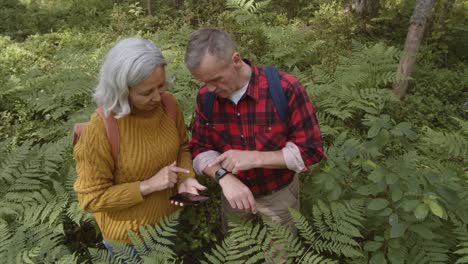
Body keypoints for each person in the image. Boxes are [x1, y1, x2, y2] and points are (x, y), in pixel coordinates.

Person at [185, 28, 324, 234]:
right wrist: (224, 176)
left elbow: (311, 150)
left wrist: (256, 158)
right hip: (232, 195)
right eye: (204, 82)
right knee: (237, 254)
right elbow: (200, 149)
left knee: (281, 256)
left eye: (216, 79)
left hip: (279, 195)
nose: (211, 88)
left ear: (236, 60)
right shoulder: (206, 97)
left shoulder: (284, 88)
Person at [73, 37, 206, 248]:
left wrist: (186, 178)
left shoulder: (168, 104)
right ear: (122, 90)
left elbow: (182, 147)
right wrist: (148, 185)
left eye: (161, 86)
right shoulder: (102, 128)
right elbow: (91, 199)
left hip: (168, 225)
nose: (157, 97)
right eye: (146, 92)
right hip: (129, 241)